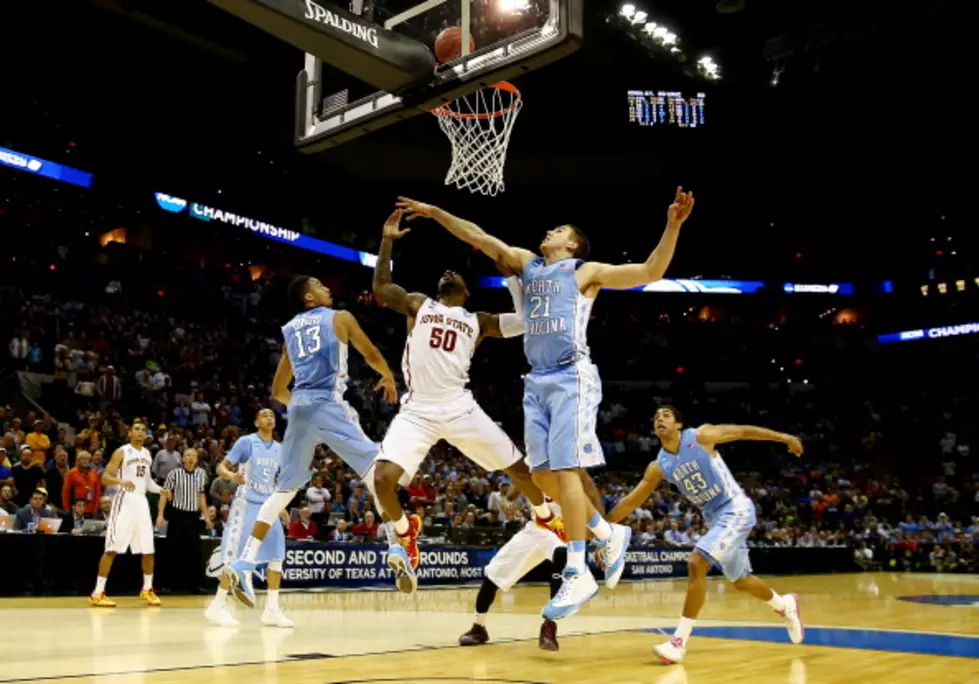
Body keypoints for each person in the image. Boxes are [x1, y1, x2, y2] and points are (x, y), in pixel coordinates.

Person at [396, 187, 695, 619]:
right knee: (540, 475)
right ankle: (608, 534)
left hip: (570, 375)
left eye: (559, 229)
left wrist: (672, 226)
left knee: (566, 471)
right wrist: (433, 211)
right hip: (535, 381)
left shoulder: (584, 271)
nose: (549, 230)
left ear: (571, 243)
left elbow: (650, 269)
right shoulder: (527, 264)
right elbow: (477, 235)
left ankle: (577, 569)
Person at [371, 209, 564, 594]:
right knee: (382, 481)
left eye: (455, 274)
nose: (447, 274)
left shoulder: (480, 321)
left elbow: (526, 321)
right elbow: (380, 289)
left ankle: (544, 517)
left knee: (522, 470)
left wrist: (512, 278)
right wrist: (387, 240)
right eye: (444, 273)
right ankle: (406, 533)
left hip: (460, 407)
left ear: (467, 290)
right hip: (418, 410)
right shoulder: (419, 303)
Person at [224, 275, 397, 607]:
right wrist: (387, 374)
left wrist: (304, 411)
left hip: (299, 408)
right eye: (320, 285)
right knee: (378, 470)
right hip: (327, 403)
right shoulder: (341, 318)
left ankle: (245, 561)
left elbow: (277, 391)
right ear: (308, 297)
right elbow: (371, 351)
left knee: (284, 490)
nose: (328, 288)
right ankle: (396, 547)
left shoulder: (289, 330)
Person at [606, 406, 805, 664]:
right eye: (655, 417)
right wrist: (602, 526)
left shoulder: (701, 436)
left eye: (665, 415)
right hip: (716, 521)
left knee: (696, 562)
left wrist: (784, 437)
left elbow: (743, 432)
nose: (659, 419)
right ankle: (785, 605)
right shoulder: (659, 466)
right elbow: (631, 501)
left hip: (736, 509)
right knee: (741, 581)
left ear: (679, 424)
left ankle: (678, 642)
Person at [206, 409, 293, 627]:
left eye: (272, 415)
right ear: (256, 422)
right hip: (247, 504)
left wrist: (281, 505)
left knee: (277, 557)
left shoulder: (280, 450)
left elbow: (277, 481)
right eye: (264, 415)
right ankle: (217, 605)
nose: (269, 418)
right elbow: (220, 467)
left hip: (269, 506)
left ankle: (272, 609)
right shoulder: (247, 442)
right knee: (236, 556)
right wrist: (232, 476)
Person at [458, 496, 577, 652]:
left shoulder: (572, 474)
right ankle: (479, 626)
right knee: (494, 572)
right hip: (536, 528)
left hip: (561, 531)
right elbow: (517, 483)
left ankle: (549, 625)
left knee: (561, 557)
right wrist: (508, 500)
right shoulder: (529, 472)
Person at [90, 421, 163, 608]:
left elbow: (147, 484)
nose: (140, 433)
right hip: (125, 501)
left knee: (148, 549)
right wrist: (121, 481)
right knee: (112, 548)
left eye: (143, 430)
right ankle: (98, 592)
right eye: (136, 429)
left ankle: (147, 588)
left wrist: (161, 490)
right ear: (129, 433)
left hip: (141, 501)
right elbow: (105, 477)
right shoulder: (122, 451)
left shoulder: (147, 454)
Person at [158, 448, 211, 594]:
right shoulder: (174, 473)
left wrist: (206, 516)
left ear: (197, 459)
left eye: (194, 456)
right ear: (183, 458)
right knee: (172, 550)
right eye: (188, 455)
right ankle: (167, 585)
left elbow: (201, 497)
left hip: (193, 517)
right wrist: (160, 515)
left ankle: (195, 585)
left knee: (195, 551)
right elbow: (164, 494)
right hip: (177, 515)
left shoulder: (201, 473)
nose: (191, 458)